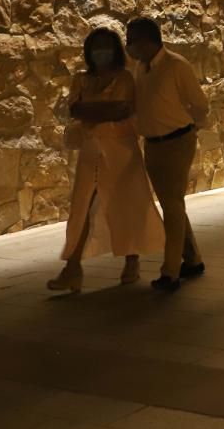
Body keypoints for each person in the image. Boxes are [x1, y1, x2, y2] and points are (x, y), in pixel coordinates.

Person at [49, 28, 166, 293]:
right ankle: (72, 267)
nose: (100, 52)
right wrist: (102, 111)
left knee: (128, 205)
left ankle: (131, 260)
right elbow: (75, 109)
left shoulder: (125, 78)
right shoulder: (82, 79)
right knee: (81, 208)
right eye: (95, 47)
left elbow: (122, 109)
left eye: (105, 46)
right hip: (91, 153)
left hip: (121, 151)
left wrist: (93, 111)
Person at [125, 17, 209, 292]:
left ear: (148, 40)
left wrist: (189, 127)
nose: (129, 47)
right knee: (171, 203)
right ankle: (192, 259)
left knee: (172, 205)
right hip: (153, 144)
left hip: (176, 141)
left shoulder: (176, 65)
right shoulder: (141, 67)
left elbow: (200, 103)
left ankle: (170, 271)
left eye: (132, 40)